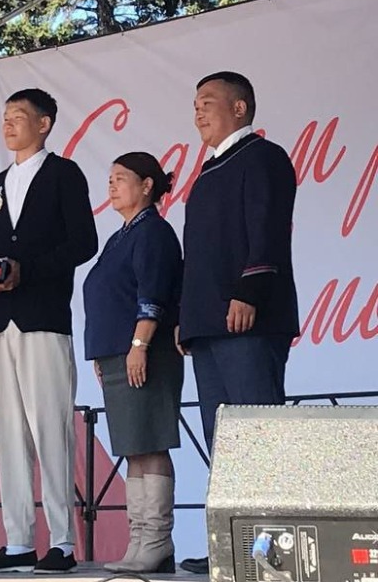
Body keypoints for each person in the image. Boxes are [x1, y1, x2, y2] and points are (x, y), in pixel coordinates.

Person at [0, 88, 98, 574]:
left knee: (50, 429)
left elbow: (83, 242)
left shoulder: (63, 174)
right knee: (10, 432)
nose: (8, 124)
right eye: (5, 117)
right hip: (2, 321)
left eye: (19, 116)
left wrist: (30, 269)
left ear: (44, 124)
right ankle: (19, 539)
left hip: (44, 318)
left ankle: (62, 540)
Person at [178, 71, 299, 575]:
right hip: (209, 324)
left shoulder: (262, 156)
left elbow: (266, 229)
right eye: (195, 103)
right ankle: (232, 545)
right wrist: (186, 317)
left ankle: (273, 549)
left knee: (258, 433)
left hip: (248, 317)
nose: (198, 111)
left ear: (240, 107)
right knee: (223, 440)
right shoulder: (207, 171)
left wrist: (250, 290)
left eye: (208, 101)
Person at [83, 152, 183, 574]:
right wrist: (104, 352)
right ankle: (140, 537)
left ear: (146, 185)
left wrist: (139, 343)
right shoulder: (121, 235)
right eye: (110, 178)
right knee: (131, 446)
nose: (112, 185)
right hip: (118, 355)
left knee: (149, 441)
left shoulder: (153, 232)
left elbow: (152, 292)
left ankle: (156, 538)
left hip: (145, 352)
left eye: (121, 178)